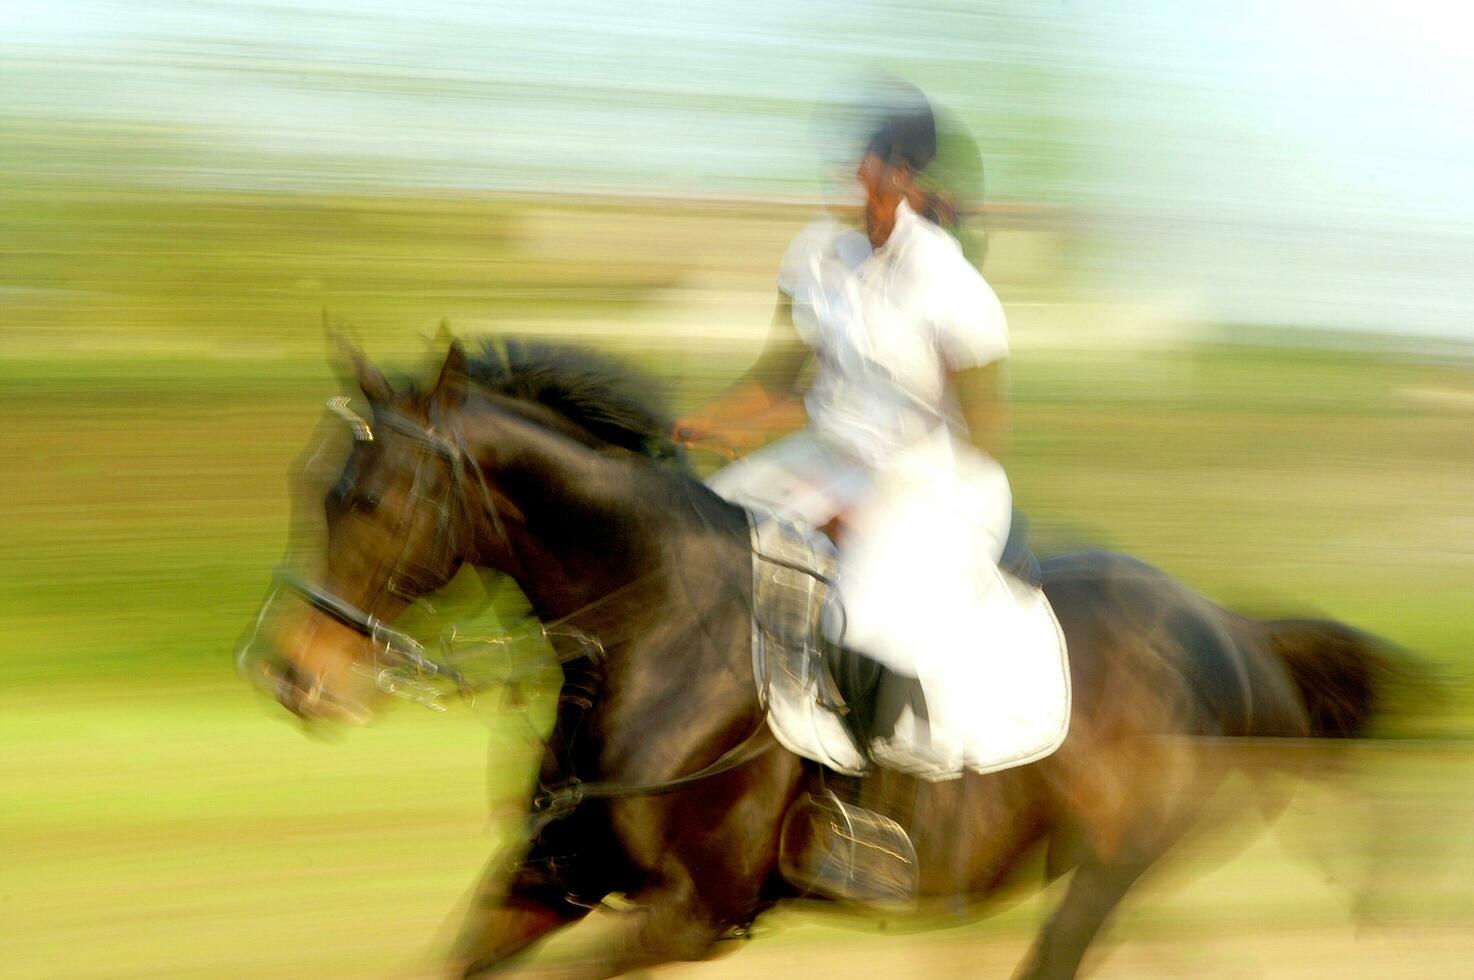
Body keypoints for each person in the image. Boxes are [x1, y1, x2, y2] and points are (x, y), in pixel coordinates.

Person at [678, 92, 1015, 775]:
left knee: (859, 613)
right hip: (826, 458)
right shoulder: (817, 256)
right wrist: (701, 425)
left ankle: (875, 801)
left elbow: (984, 436)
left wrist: (869, 504)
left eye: (857, 156)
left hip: (934, 480)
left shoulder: (952, 289)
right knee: (699, 541)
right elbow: (780, 382)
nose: (841, 170)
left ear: (899, 175)